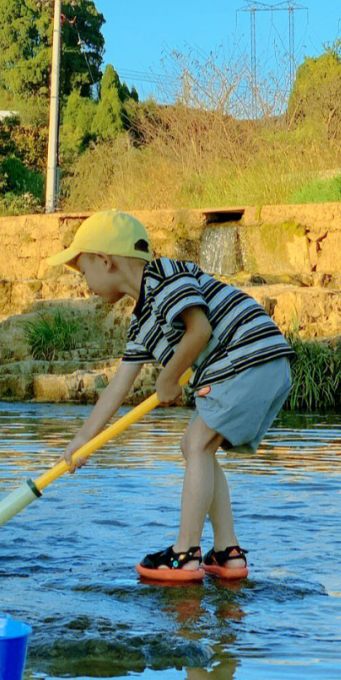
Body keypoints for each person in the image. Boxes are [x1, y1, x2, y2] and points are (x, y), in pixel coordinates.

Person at [48, 210, 292, 583]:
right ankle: (227, 551)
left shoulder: (165, 277)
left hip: (247, 356)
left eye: (83, 273)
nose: (85, 285)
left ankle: (185, 553)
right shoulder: (143, 319)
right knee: (199, 447)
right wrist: (84, 440)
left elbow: (199, 329)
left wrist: (168, 375)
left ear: (104, 260)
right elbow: (118, 387)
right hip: (263, 363)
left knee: (195, 445)